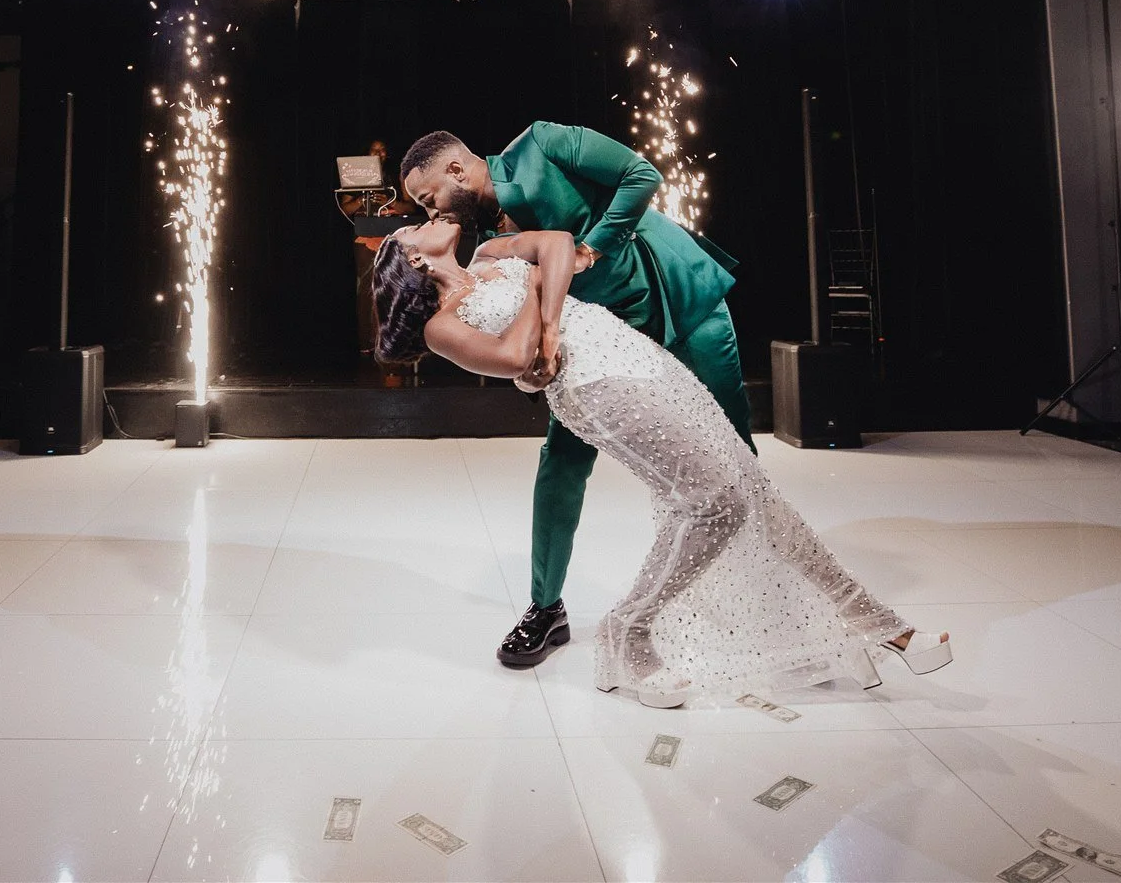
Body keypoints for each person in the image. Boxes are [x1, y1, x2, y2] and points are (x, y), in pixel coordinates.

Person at [370, 217, 951, 705]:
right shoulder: (443, 325)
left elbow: (561, 249)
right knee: (712, 502)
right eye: (411, 228)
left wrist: (543, 320)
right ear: (412, 261)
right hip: (596, 389)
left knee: (756, 494)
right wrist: (538, 298)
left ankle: (882, 625)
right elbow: (515, 357)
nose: (426, 218)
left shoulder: (492, 252)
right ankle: (631, 630)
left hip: (639, 360)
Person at [400, 124, 750, 668]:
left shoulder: (541, 144)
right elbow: (511, 331)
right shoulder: (484, 240)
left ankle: (751, 594)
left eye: (429, 200)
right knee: (560, 465)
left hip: (681, 302)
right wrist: (526, 369)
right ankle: (545, 608)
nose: (430, 215)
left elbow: (642, 175)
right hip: (605, 349)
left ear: (456, 171)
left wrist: (591, 249)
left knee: (735, 453)